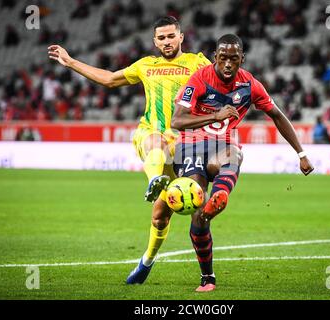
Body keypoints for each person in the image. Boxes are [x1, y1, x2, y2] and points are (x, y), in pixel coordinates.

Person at [48, 16, 211, 284]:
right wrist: (72, 62)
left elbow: (223, 81)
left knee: (160, 216)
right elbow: (110, 79)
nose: (167, 42)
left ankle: (146, 260)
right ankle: (154, 182)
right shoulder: (146, 65)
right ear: (154, 41)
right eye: (161, 38)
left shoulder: (198, 63)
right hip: (152, 133)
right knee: (155, 141)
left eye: (171, 36)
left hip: (185, 146)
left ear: (181, 37)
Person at [171, 34, 314, 291]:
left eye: (233, 59)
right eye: (223, 58)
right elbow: (177, 121)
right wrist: (215, 114)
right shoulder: (199, 80)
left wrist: (301, 153)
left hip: (222, 146)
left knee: (233, 153)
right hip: (189, 146)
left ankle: (220, 196)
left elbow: (277, 116)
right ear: (215, 57)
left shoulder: (250, 85)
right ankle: (208, 277)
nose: (227, 64)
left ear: (242, 59)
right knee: (198, 215)